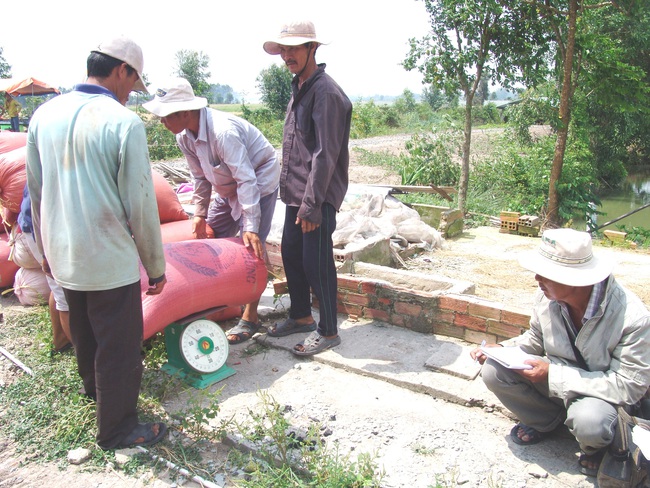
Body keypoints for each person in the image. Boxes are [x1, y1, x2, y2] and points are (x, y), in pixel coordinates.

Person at [26, 36, 168, 450]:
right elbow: (140, 203)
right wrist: (155, 267)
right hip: (106, 256)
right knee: (120, 345)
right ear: (121, 70)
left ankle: (96, 396)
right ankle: (118, 428)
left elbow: (36, 194)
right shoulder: (123, 122)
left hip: (64, 251)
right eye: (132, 82)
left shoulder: (43, 116)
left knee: (86, 333)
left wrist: (46, 253)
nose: (130, 93)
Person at [470, 228, 650, 477]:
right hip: (556, 382)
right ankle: (547, 422)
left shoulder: (633, 317)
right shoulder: (547, 297)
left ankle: (593, 445)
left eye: (545, 274)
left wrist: (552, 375)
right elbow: (534, 338)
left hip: (601, 397)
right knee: (493, 371)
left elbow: (629, 387)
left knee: (590, 422)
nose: (536, 279)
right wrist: (502, 348)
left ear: (574, 280)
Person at [142, 77, 280, 345]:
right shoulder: (184, 136)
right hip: (227, 187)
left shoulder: (223, 132)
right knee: (211, 234)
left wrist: (250, 225)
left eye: (165, 116)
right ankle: (217, 297)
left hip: (258, 182)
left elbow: (247, 180)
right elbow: (199, 177)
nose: (162, 122)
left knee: (252, 246)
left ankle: (250, 316)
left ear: (184, 112)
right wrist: (200, 213)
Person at [262, 20, 352, 355]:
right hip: (296, 193)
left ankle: (328, 331)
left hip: (317, 195)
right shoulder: (301, 86)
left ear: (312, 48)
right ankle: (301, 316)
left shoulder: (325, 92)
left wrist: (313, 205)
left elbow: (325, 153)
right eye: (283, 49)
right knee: (292, 253)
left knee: (317, 262)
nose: (287, 55)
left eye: (294, 48)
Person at [17, 185, 72, 354]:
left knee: (58, 287)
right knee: (65, 295)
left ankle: (61, 339)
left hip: (46, 223)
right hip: (42, 226)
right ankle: (91, 358)